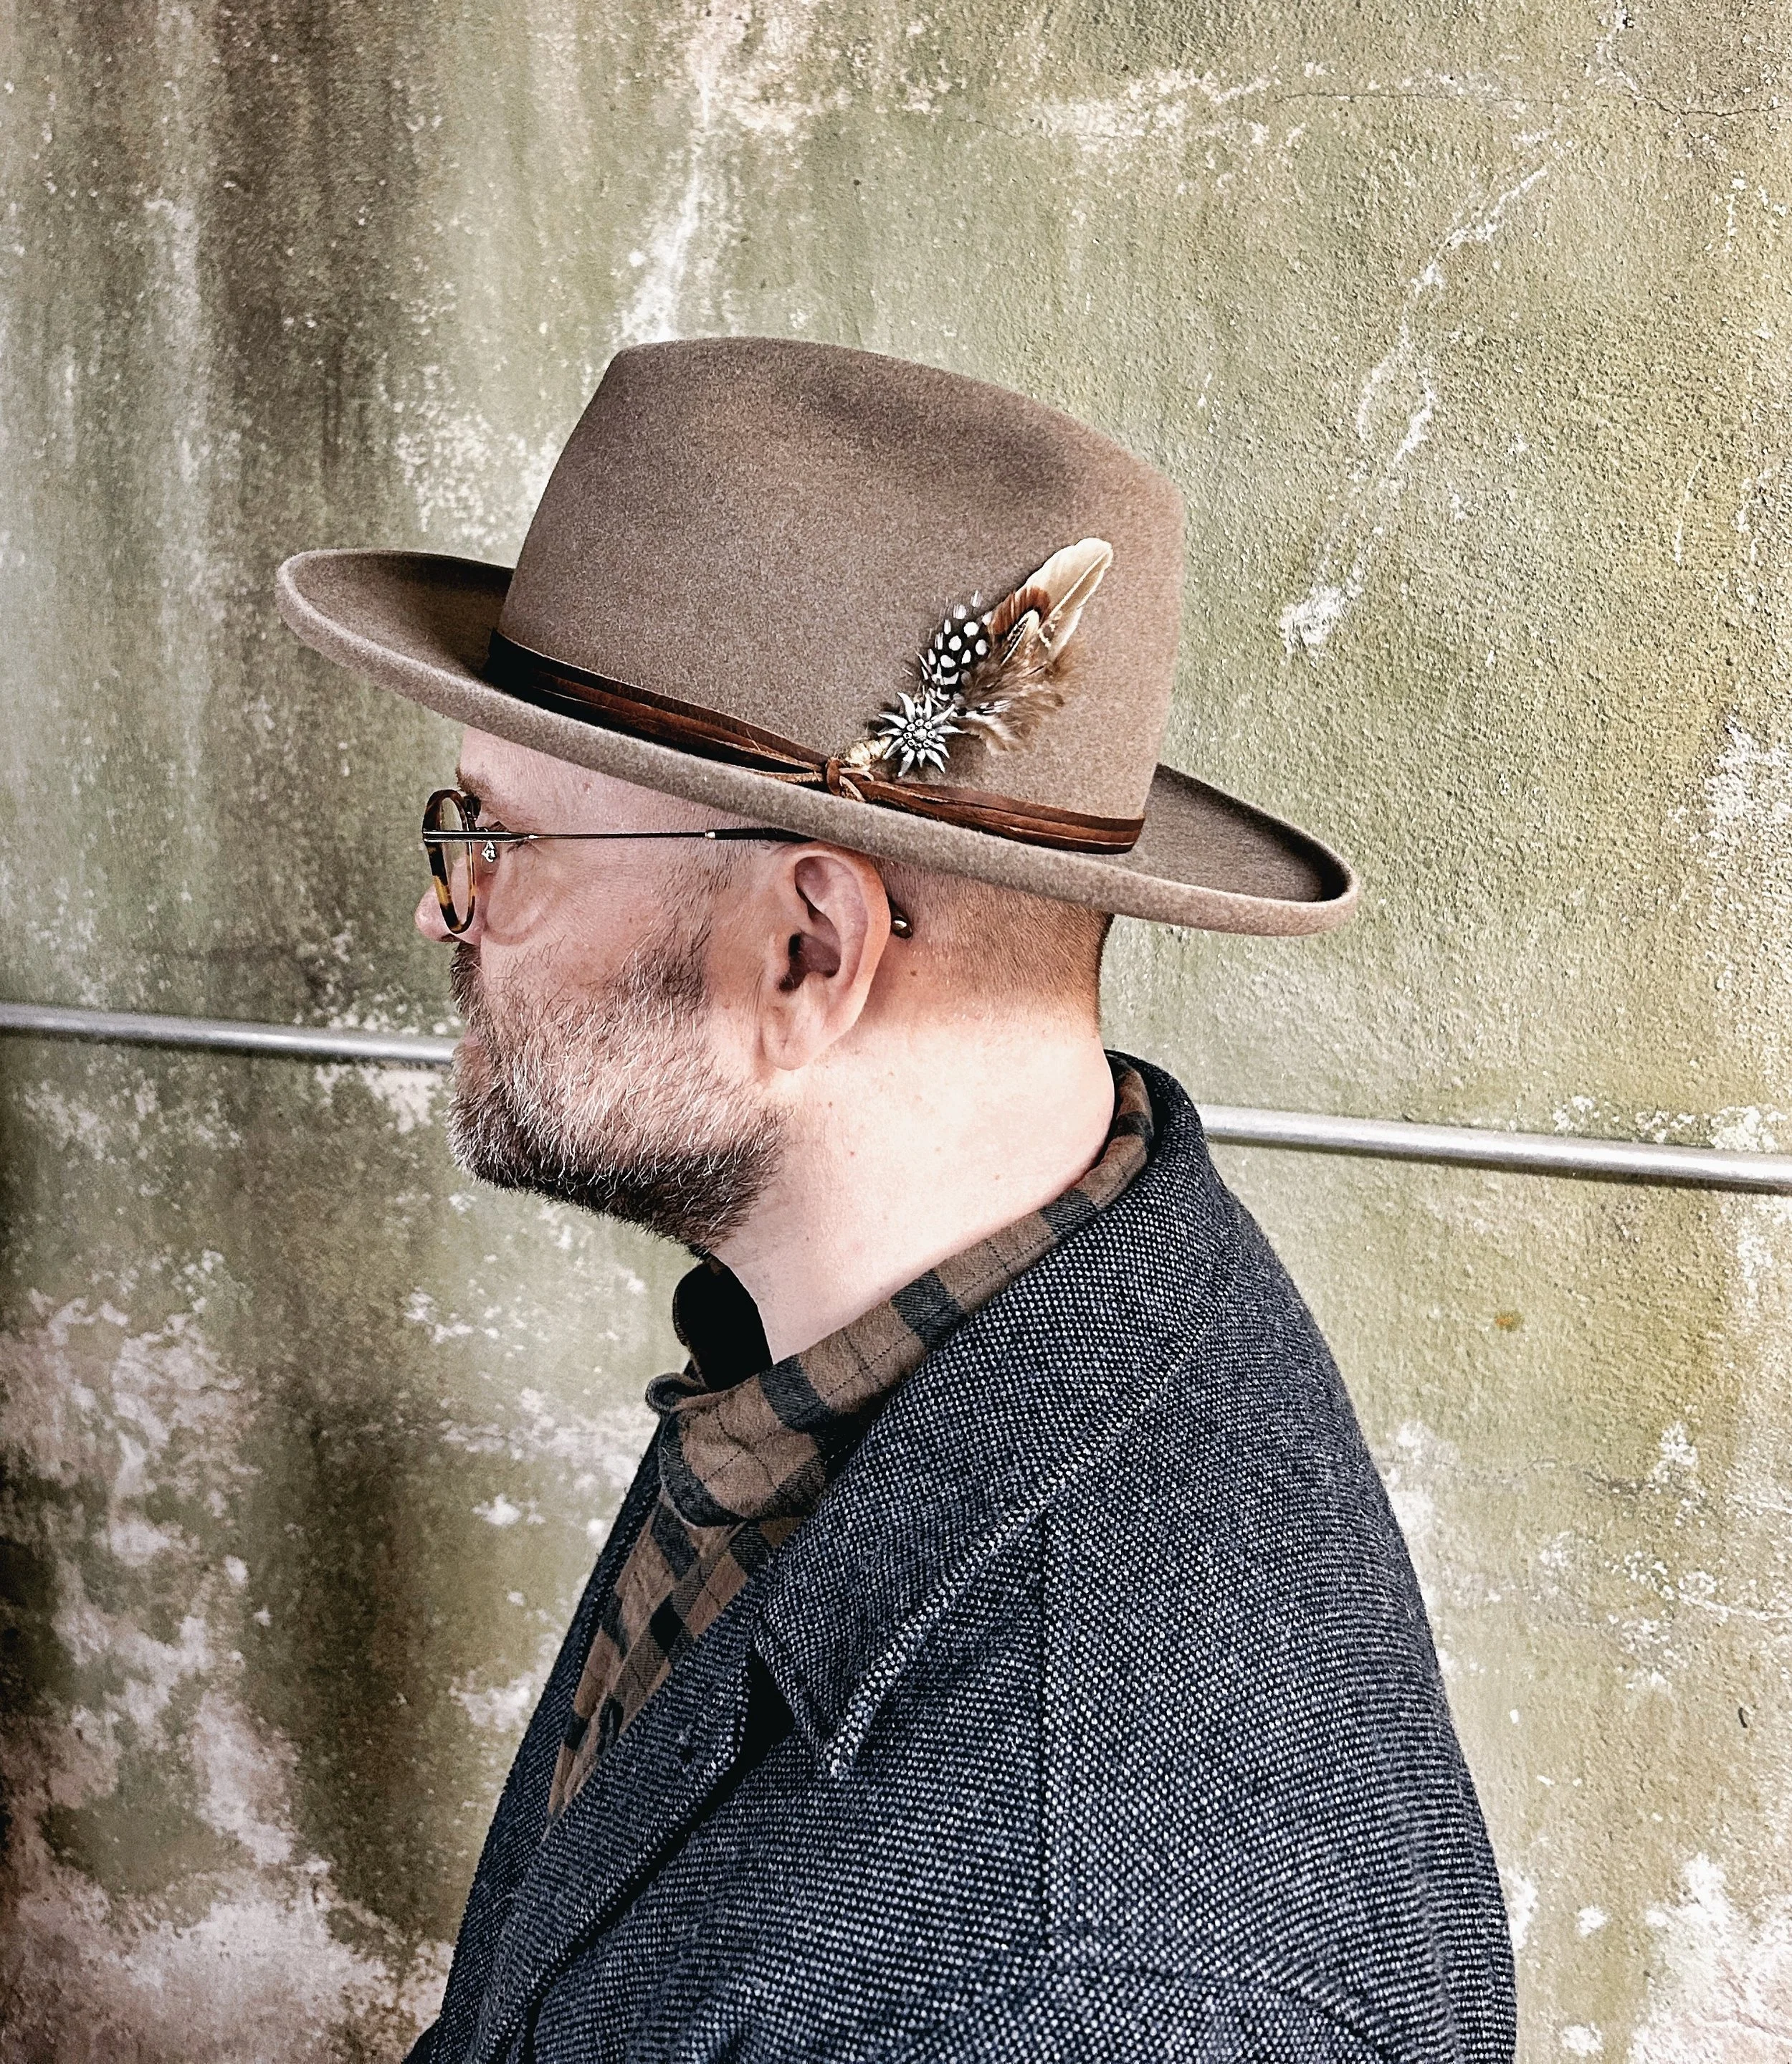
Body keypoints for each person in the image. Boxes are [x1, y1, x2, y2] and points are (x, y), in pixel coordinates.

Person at [278, 337, 1515, 2063]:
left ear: (806, 951)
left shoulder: (1083, 1970)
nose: (448, 910)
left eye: (501, 840)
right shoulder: (864, 1350)